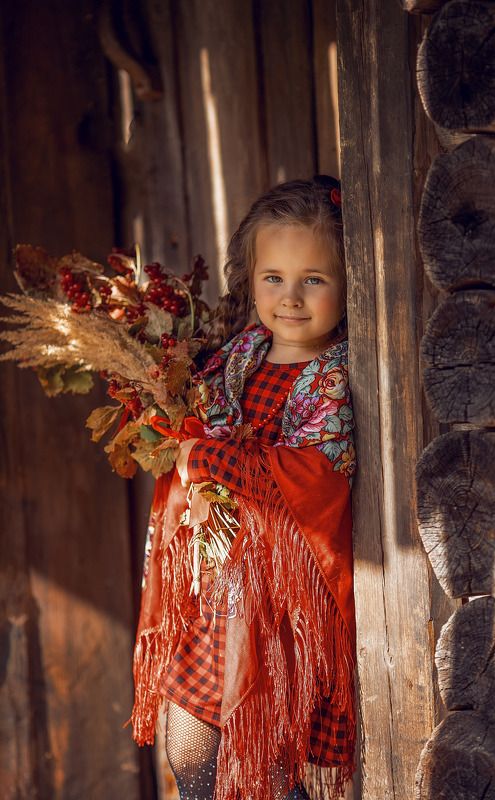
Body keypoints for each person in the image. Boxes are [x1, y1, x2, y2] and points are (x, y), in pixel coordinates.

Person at [128, 175, 357, 800]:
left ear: (348, 283)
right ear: (249, 278)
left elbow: (308, 478)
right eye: (273, 278)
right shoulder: (235, 357)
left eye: (314, 279)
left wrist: (204, 456)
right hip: (217, 583)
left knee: (266, 745)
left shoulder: (333, 378)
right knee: (190, 734)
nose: (291, 297)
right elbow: (190, 432)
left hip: (280, 596)